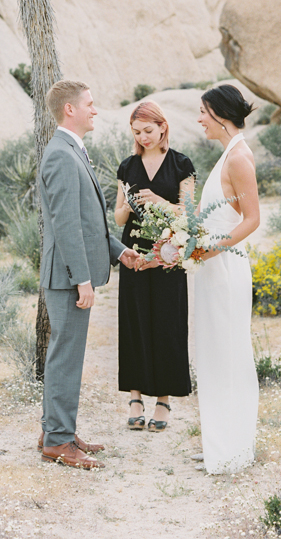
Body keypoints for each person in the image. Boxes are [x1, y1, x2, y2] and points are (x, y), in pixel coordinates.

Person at [38, 80, 140, 469]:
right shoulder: (61, 155)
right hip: (66, 277)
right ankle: (59, 442)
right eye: (90, 104)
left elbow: (89, 221)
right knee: (66, 358)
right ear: (70, 110)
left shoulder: (71, 149)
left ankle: (55, 430)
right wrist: (82, 279)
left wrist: (120, 251)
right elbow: (65, 225)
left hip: (70, 274)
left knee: (65, 356)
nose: (95, 110)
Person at [114, 101, 195, 432]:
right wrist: (130, 203)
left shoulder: (181, 164)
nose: (143, 137)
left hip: (168, 254)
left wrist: (161, 202)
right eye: (137, 132)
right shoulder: (127, 166)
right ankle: (135, 398)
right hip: (133, 253)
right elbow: (118, 215)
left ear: (162, 126)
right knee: (134, 323)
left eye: (148, 130)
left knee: (167, 323)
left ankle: (163, 400)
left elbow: (189, 214)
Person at [194, 84, 260, 474]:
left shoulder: (238, 158)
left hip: (225, 269)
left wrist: (210, 248)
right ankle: (221, 441)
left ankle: (233, 449)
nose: (200, 119)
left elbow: (252, 219)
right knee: (214, 355)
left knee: (229, 355)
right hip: (211, 271)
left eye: (203, 111)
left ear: (219, 114)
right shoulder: (228, 154)